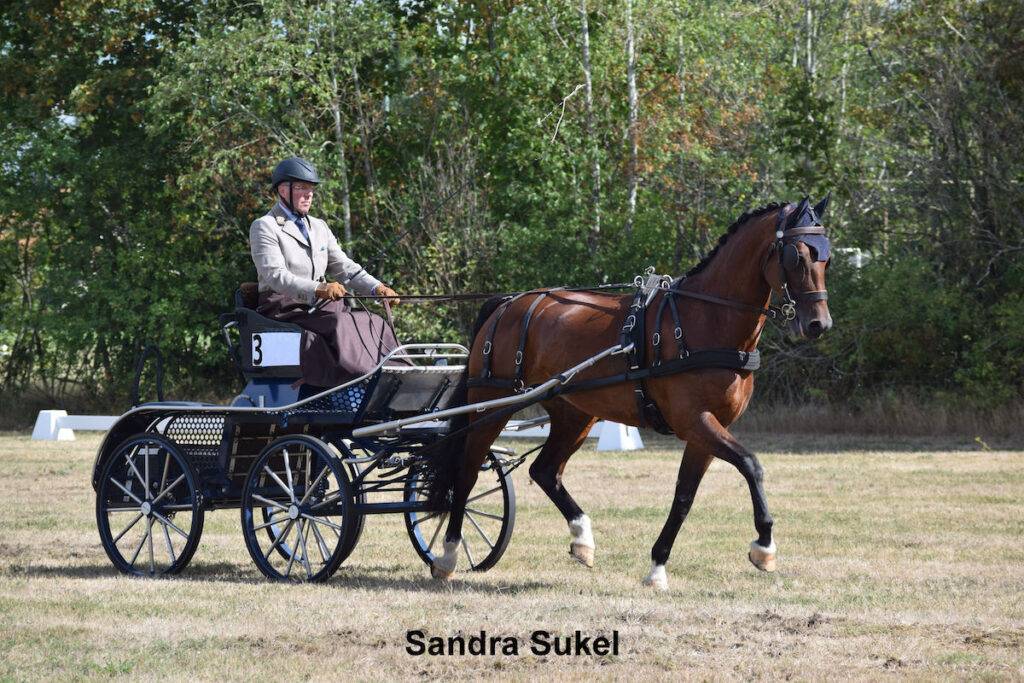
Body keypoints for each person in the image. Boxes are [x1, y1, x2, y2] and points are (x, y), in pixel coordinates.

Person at [249, 156, 402, 388]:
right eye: (301, 188)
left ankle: (396, 374)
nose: (308, 194)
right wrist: (319, 288)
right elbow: (275, 276)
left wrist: (376, 288)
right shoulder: (265, 226)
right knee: (339, 322)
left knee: (373, 320)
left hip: (318, 307)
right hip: (284, 307)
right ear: (283, 190)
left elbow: (345, 267)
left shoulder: (319, 226)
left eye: (311, 189)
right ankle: (362, 377)